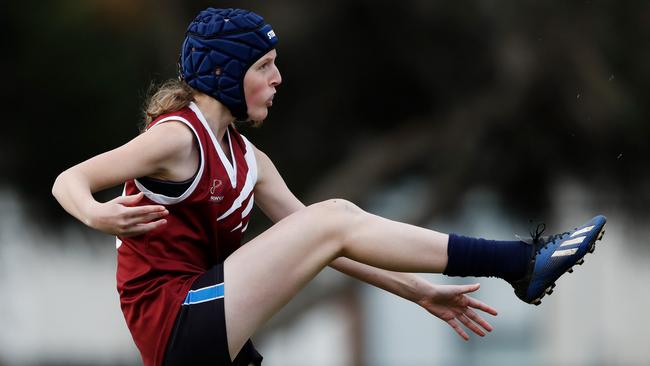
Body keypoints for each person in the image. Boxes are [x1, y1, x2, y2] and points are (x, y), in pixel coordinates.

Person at [51, 7, 607, 366]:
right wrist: (97, 215)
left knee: (329, 222)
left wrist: (419, 292)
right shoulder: (177, 138)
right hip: (174, 323)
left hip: (211, 329)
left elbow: (332, 246)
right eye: (265, 66)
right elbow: (69, 180)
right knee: (333, 213)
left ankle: (522, 266)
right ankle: (521, 262)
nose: (278, 79)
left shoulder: (250, 160)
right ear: (225, 73)